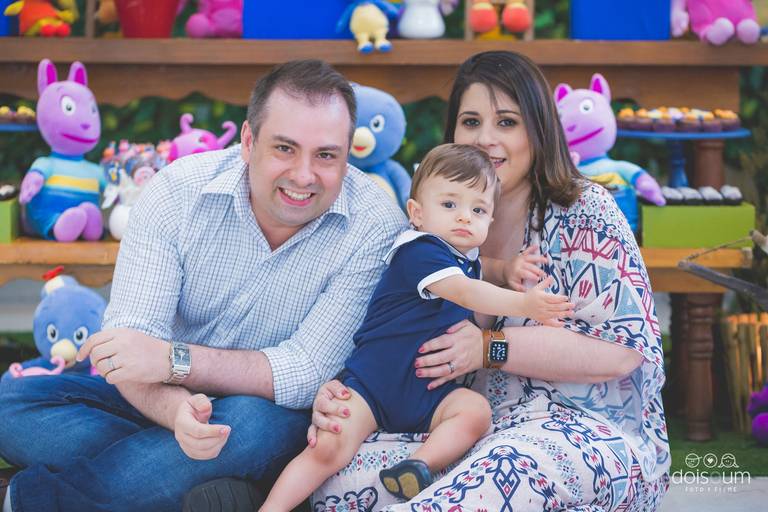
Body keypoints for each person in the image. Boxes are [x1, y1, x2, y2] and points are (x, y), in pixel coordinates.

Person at [0, 59, 407, 512]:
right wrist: (174, 412)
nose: (304, 175)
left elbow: (306, 371)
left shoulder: (375, 226)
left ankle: (40, 501)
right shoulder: (177, 192)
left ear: (347, 156)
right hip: (155, 399)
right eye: (285, 148)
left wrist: (172, 360)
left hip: (270, 414)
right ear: (248, 141)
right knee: (11, 402)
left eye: (326, 156)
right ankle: (208, 482)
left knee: (252, 426)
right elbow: (132, 343)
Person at [311, 51, 671, 512]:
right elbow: (396, 339)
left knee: (505, 470)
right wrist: (346, 392)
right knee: (337, 479)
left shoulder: (587, 211)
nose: (485, 139)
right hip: (464, 426)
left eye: (506, 122)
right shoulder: (436, 224)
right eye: (470, 122)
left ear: (538, 130)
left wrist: (488, 347)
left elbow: (622, 352)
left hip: (577, 429)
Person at [260, 143, 574, 511]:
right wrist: (524, 304)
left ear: (490, 221)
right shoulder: (418, 250)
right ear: (417, 213)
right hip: (374, 385)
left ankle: (418, 466)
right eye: (449, 204)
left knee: (475, 411)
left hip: (427, 393)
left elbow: (479, 267)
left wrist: (506, 269)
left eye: (478, 210)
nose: (464, 217)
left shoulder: (463, 258)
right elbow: (464, 290)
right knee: (328, 448)